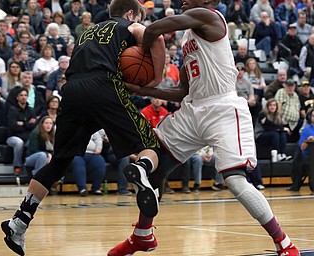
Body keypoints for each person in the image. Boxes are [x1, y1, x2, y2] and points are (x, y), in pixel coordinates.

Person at [108, 0, 300, 255]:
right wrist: (140, 89)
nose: (184, 0)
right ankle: (142, 235)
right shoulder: (189, 34)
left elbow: (154, 29)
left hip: (222, 108)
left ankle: (284, 243)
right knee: (156, 163)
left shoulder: (208, 16)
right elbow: (182, 91)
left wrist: (127, 34)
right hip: (193, 109)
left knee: (235, 181)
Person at [0, 1, 166, 255]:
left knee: (58, 162)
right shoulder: (128, 25)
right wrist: (155, 79)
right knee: (150, 146)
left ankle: (19, 222)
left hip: (73, 91)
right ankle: (141, 170)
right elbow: (153, 35)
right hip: (103, 85)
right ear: (131, 13)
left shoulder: (88, 32)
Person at [6, 87, 37, 174]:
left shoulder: (31, 110)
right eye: (21, 95)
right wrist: (28, 124)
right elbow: (13, 126)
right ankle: (17, 166)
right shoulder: (12, 109)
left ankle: (29, 166)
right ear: (17, 97)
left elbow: (35, 125)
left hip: (27, 136)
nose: (23, 97)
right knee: (19, 142)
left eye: (25, 95)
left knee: (33, 141)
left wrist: (22, 123)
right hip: (12, 137)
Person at [72, 130, 106, 196]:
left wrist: (99, 148)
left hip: (92, 152)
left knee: (100, 162)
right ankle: (82, 189)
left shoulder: (89, 126)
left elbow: (98, 138)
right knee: (78, 165)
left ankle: (96, 188)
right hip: (77, 153)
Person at [275, 78, 302, 142]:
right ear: (285, 86)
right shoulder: (281, 92)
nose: (290, 88)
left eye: (292, 86)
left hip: (295, 123)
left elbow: (298, 108)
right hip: (284, 121)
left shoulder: (295, 95)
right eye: (288, 86)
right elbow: (278, 106)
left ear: (294, 86)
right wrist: (280, 117)